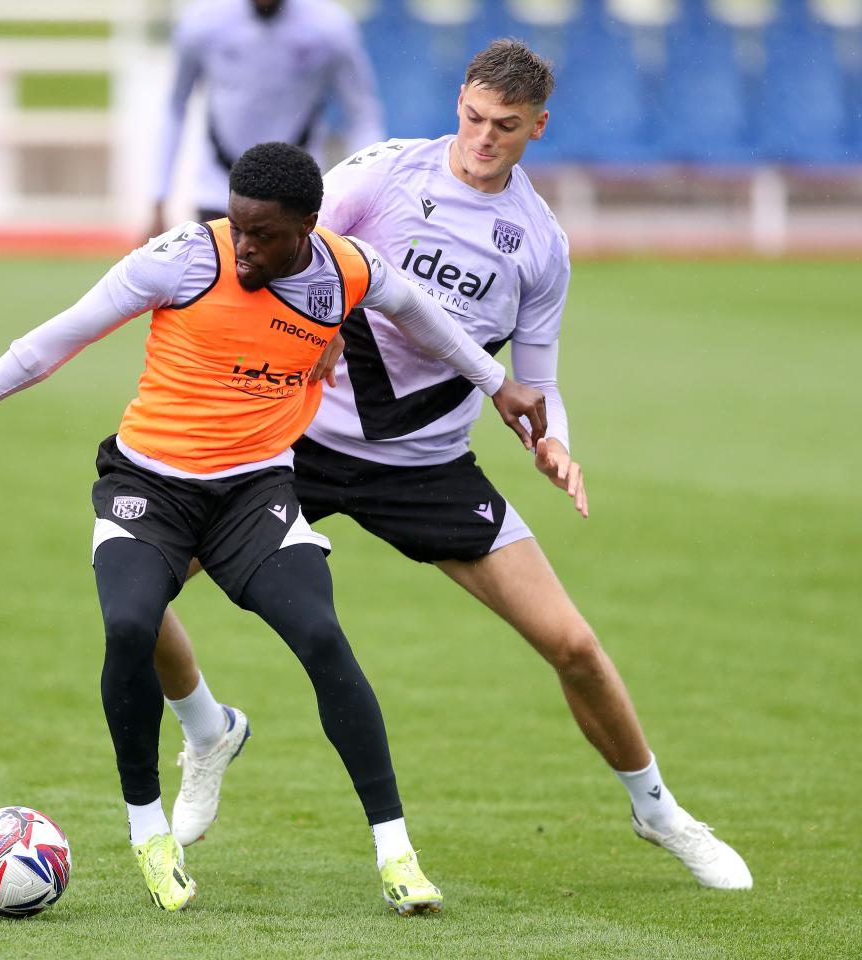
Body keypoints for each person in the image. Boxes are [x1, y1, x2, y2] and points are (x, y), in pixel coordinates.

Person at [153, 40, 754, 891]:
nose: (482, 138)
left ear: (537, 128)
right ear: (458, 104)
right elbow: (284, 256)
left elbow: (537, 384)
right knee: (141, 591)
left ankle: (659, 810)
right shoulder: (384, 174)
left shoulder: (540, 245)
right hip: (299, 442)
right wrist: (310, 336)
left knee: (573, 644)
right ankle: (208, 728)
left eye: (505, 127)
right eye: (472, 117)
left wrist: (554, 442)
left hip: (427, 468)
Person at [0, 142, 547, 914]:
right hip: (148, 486)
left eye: (262, 234)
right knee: (131, 624)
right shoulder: (180, 261)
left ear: (308, 224)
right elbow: (57, 338)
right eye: (235, 227)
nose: (243, 247)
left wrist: (499, 383)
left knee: (324, 639)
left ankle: (397, 854)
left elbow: (422, 316)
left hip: (254, 494)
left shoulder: (348, 270)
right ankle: (150, 834)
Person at [151, 0, 383, 235]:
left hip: (296, 195)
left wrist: (369, 192)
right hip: (218, 190)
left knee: (293, 272)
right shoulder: (202, 21)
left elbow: (361, 112)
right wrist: (158, 197)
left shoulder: (331, 28)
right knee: (220, 271)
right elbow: (176, 107)